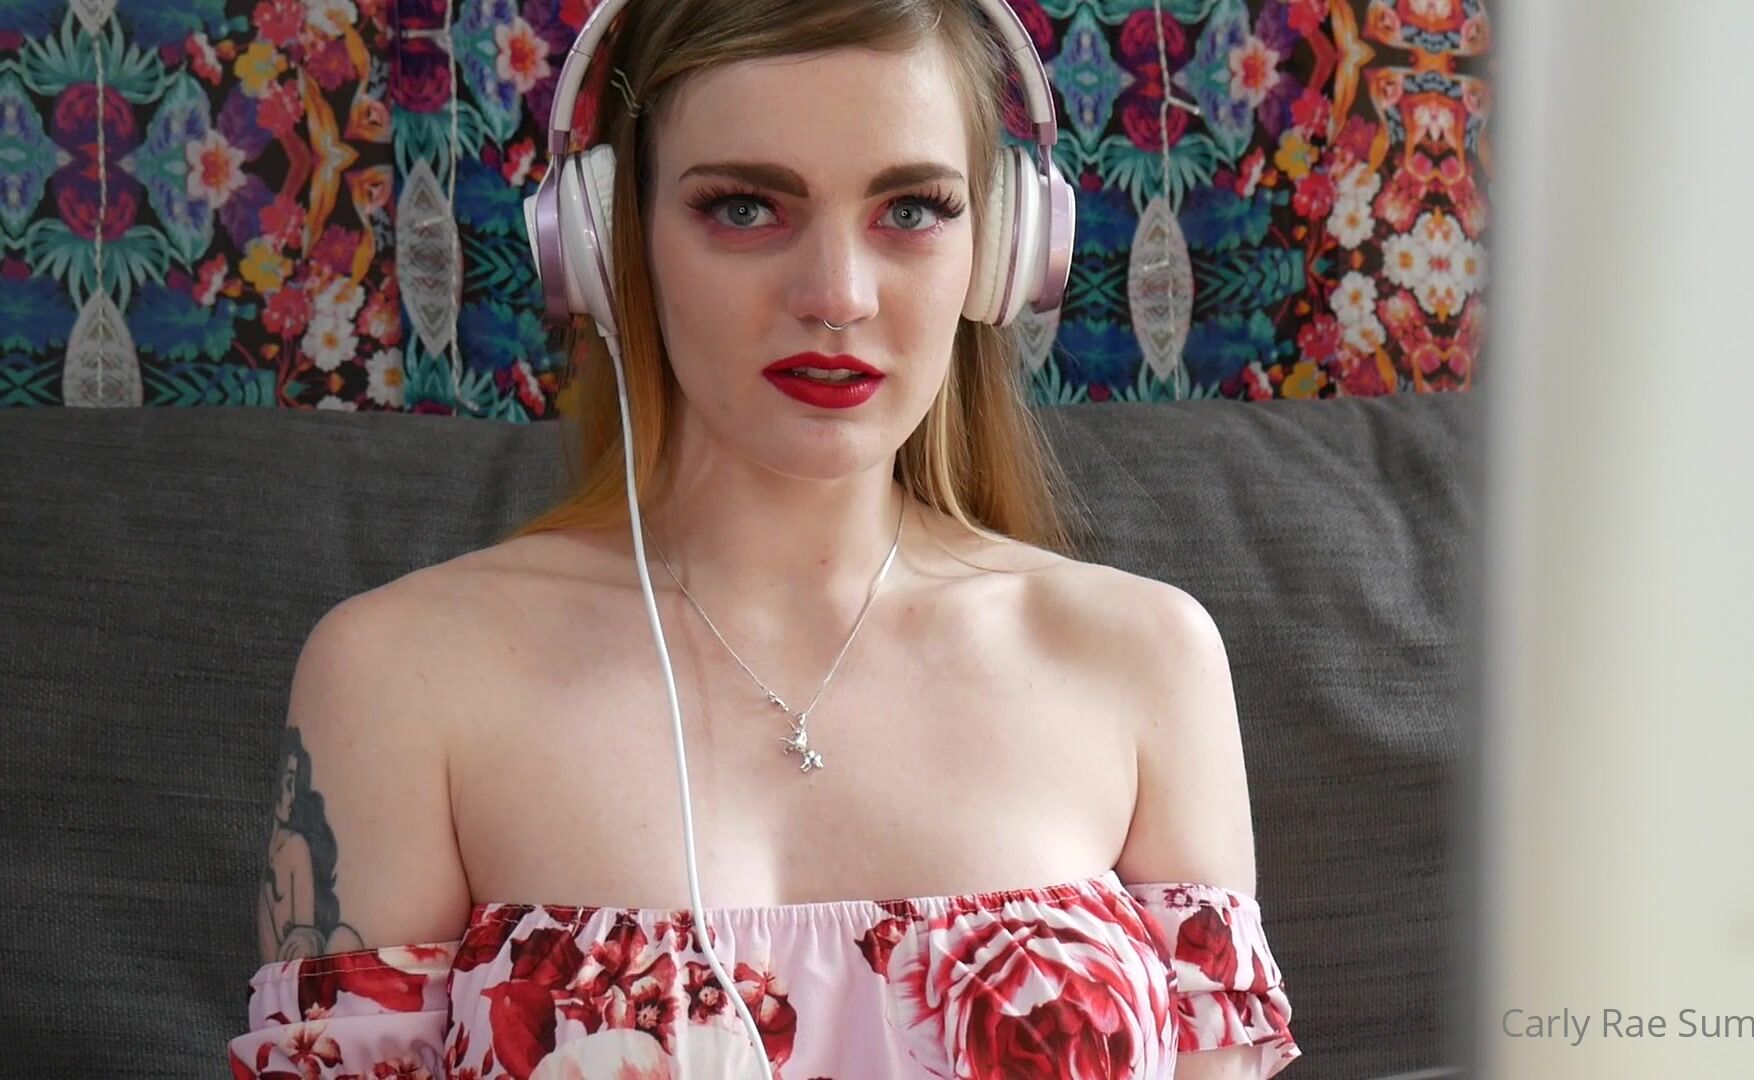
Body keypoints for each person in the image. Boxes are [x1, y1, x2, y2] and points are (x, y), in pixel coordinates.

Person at [229, 1, 1299, 1076]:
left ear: (1003, 251)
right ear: (607, 244)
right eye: (744, 208)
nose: (836, 296)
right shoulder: (399, 675)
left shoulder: (1145, 658)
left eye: (912, 209)